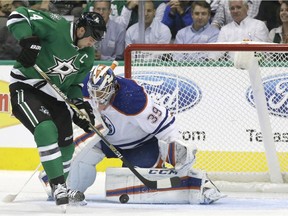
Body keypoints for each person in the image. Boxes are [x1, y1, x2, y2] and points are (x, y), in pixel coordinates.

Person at [37, 62, 225, 205]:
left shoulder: (132, 99)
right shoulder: (86, 86)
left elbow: (165, 124)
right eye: (94, 94)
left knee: (133, 191)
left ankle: (193, 179)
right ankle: (53, 178)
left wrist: (177, 145)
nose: (97, 100)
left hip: (139, 145)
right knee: (76, 180)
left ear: (113, 87)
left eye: (102, 94)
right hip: (103, 139)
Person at [7, 6, 106, 207]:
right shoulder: (56, 26)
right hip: (27, 87)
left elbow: (74, 86)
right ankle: (59, 185)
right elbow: (17, 15)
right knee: (45, 129)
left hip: (55, 97)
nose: (93, 43)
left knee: (67, 145)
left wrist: (80, 107)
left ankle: (59, 184)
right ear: (81, 30)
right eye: (92, 37)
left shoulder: (87, 56)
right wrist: (28, 41)